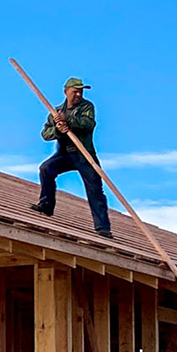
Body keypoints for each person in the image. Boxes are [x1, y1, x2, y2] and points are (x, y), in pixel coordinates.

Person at [31, 76, 112, 237]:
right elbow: (45, 134)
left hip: (84, 154)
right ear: (66, 91)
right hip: (65, 154)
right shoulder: (56, 112)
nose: (79, 95)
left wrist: (68, 121)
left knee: (95, 190)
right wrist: (57, 129)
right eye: (75, 91)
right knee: (46, 169)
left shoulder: (87, 107)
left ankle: (103, 227)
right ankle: (46, 205)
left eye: (81, 92)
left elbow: (88, 124)